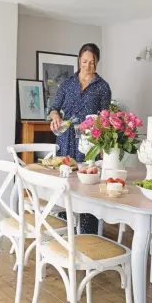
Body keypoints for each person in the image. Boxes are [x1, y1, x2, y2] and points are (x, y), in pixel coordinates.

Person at [49, 43, 111, 234]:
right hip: (66, 138)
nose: (87, 65)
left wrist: (102, 146)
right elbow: (53, 108)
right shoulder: (67, 84)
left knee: (87, 188)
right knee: (65, 184)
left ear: (97, 62)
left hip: (88, 141)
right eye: (84, 61)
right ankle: (65, 231)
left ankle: (88, 235)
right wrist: (56, 117)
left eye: (92, 62)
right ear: (79, 59)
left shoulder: (102, 87)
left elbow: (105, 118)